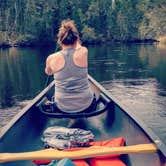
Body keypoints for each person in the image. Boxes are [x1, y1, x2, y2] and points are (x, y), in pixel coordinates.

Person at [45, 19, 96, 113]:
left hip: (61, 108)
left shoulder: (50, 58)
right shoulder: (84, 51)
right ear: (76, 39)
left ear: (60, 41)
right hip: (87, 106)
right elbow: (78, 46)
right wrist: (76, 38)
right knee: (95, 93)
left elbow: (48, 72)